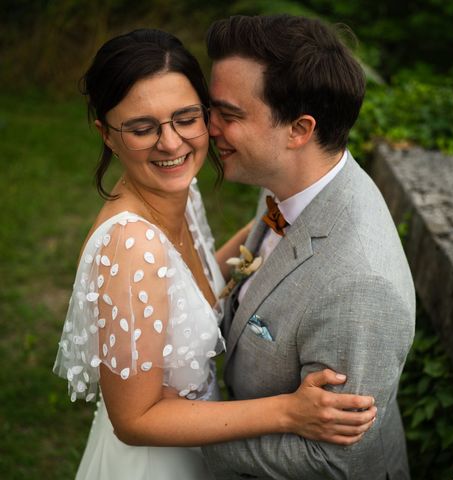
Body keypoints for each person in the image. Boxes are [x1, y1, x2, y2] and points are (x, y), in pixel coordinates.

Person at [52, 28, 377, 480]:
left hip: (197, 446)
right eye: (142, 128)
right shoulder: (131, 247)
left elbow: (189, 284)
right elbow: (135, 419)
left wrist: (285, 212)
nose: (171, 144)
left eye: (186, 118)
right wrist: (288, 412)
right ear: (106, 135)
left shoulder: (180, 193)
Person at [203, 14, 416, 480]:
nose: (206, 127)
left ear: (299, 130)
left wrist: (182, 436)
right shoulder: (288, 181)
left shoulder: (359, 286)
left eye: (229, 115)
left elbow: (335, 461)